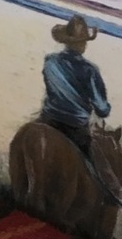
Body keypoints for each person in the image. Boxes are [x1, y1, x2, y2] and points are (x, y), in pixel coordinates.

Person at [41, 14, 111, 155]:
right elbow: (102, 109)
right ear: (81, 44)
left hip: (48, 118)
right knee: (92, 168)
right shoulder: (89, 70)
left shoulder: (50, 61)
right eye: (84, 41)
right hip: (75, 125)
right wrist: (104, 109)